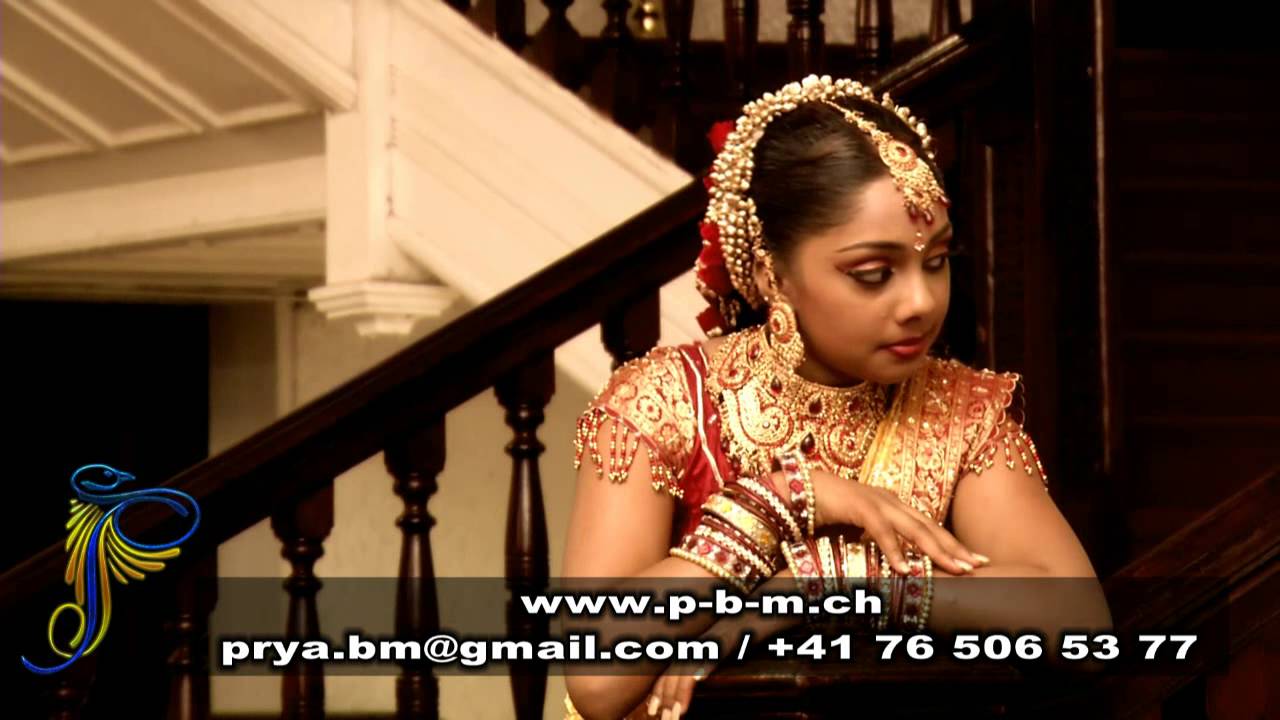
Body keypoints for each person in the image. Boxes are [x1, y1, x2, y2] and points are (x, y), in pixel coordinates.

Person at [562, 75, 1109, 720]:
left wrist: (832, 583)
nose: (921, 301)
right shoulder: (663, 401)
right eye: (873, 274)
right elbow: (595, 679)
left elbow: (1079, 624)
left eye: (936, 260)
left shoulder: (962, 410)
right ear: (772, 276)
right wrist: (781, 502)